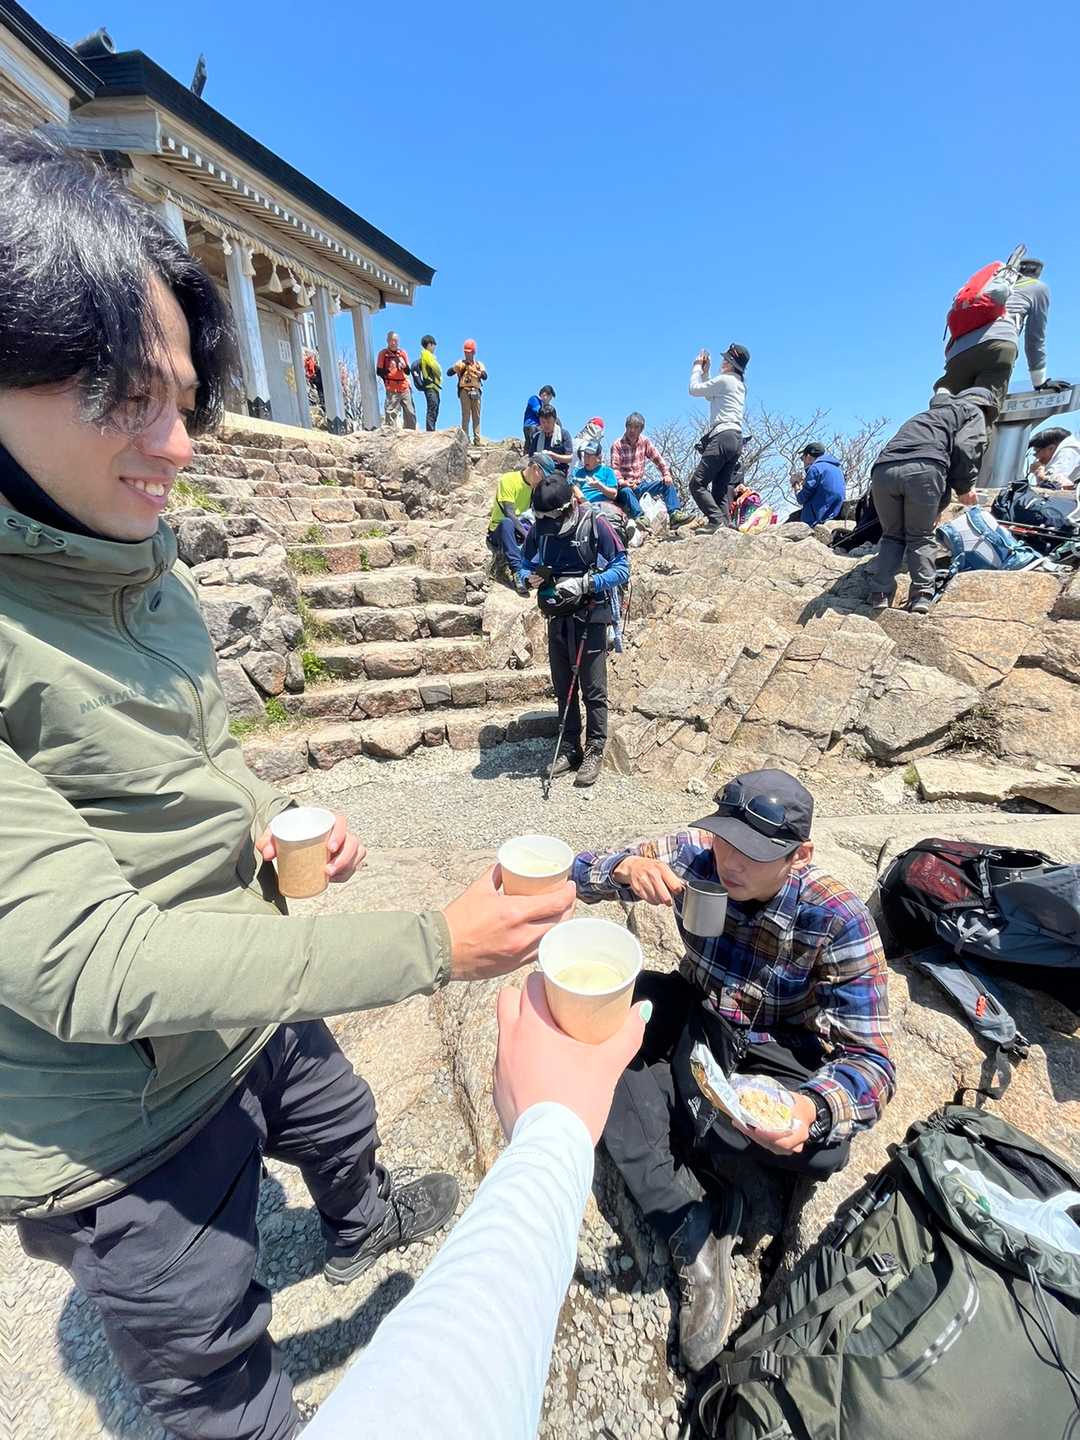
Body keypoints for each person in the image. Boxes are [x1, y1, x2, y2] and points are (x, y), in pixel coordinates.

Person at [0, 127, 576, 1440]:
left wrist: (268, 822)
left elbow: (196, 757)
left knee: (338, 1115)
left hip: (250, 996)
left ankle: (363, 1222)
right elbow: (90, 966)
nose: (175, 444)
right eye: (120, 396)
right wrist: (435, 944)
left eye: (183, 399)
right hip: (117, 1115)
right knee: (207, 1349)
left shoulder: (136, 568)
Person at [573, 770, 894, 1373]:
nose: (730, 861)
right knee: (601, 1027)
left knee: (823, 1151)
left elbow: (872, 1060)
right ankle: (691, 1225)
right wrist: (623, 868)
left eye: (755, 852)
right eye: (725, 839)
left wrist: (812, 1109)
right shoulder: (697, 853)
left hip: (778, 1045)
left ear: (800, 856)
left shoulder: (837, 916)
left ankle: (690, 1122)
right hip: (699, 1010)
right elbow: (577, 869)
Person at [304, 974, 648, 1440]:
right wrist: (554, 1133)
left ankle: (362, 1224)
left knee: (338, 1109)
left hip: (263, 1042)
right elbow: (450, 1380)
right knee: (214, 1337)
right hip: (200, 1097)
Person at [518, 475, 630, 788]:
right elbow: (524, 563)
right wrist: (526, 578)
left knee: (593, 688)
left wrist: (586, 583)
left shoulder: (595, 524)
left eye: (551, 520)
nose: (547, 527)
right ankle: (570, 746)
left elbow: (622, 568)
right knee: (563, 685)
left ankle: (595, 747)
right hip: (557, 615)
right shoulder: (540, 529)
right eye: (541, 520)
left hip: (591, 614)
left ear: (569, 508)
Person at [864, 386, 999, 614]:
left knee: (892, 535)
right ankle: (922, 595)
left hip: (883, 471)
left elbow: (939, 461)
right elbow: (964, 448)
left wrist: (939, 505)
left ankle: (879, 593)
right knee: (920, 536)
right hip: (924, 471)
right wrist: (965, 487)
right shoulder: (973, 411)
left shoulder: (928, 416)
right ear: (987, 408)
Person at [936, 257, 1051, 403]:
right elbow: (1035, 338)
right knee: (984, 404)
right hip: (998, 344)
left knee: (947, 400)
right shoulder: (1038, 287)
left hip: (957, 352)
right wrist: (1039, 381)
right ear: (1037, 272)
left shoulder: (990, 285)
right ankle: (981, 409)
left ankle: (941, 400)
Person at [683, 343, 750, 533]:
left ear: (730, 363)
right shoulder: (739, 384)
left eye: (725, 359)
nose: (722, 362)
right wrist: (707, 373)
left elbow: (694, 389)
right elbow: (710, 395)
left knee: (697, 483)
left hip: (722, 436)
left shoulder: (725, 380)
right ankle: (726, 526)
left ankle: (716, 520)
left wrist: (697, 367)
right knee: (720, 490)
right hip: (736, 438)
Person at [610, 411, 689, 525]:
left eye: (636, 427)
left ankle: (675, 513)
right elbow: (615, 469)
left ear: (641, 429)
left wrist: (666, 474)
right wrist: (623, 482)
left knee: (667, 484)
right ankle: (640, 518)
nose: (632, 430)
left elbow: (658, 459)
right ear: (626, 427)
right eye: (630, 426)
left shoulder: (644, 441)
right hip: (624, 487)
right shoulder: (617, 445)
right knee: (626, 491)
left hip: (640, 485)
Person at [487, 453, 549, 594]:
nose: (543, 481)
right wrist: (528, 536)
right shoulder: (508, 479)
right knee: (507, 522)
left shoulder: (534, 488)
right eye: (543, 476)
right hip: (500, 531)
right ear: (535, 468)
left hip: (520, 531)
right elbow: (509, 512)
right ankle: (517, 572)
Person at [792, 442, 846, 526]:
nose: (803, 462)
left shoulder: (815, 468)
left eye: (802, 458)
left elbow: (801, 499)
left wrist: (795, 484)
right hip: (834, 515)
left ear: (808, 456)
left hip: (816, 520)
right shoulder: (837, 469)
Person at [447, 338, 487, 443]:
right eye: (466, 352)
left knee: (476, 416)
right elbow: (449, 373)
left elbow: (485, 376)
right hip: (464, 390)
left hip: (476, 390)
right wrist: (455, 368)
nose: (467, 354)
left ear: (473, 352)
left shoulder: (479, 364)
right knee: (466, 415)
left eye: (469, 352)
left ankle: (477, 439)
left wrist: (478, 373)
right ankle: (465, 439)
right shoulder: (460, 363)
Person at [376, 330, 417, 430]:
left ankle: (410, 432)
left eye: (395, 340)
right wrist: (389, 371)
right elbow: (379, 371)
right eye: (391, 340)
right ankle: (390, 433)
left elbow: (408, 371)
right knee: (391, 413)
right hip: (392, 388)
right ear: (387, 341)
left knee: (410, 412)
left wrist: (404, 366)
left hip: (404, 386)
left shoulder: (402, 353)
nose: (393, 343)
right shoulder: (383, 354)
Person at [525, 403, 573, 473]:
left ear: (555, 420)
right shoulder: (537, 437)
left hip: (558, 470)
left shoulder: (564, 434)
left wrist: (554, 456)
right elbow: (530, 457)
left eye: (548, 422)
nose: (546, 425)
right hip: (540, 470)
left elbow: (570, 458)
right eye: (543, 422)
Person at [1029, 426, 1080, 491]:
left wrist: (1039, 473)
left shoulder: (1069, 450)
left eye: (1037, 451)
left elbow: (1053, 486)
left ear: (1051, 448)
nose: (1035, 456)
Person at [415, 333, 442, 431]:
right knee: (432, 408)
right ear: (430, 344)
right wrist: (439, 372)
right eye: (434, 345)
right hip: (430, 386)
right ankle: (430, 431)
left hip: (434, 386)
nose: (435, 347)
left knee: (435, 408)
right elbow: (435, 368)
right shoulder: (426, 354)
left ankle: (432, 429)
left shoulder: (428, 355)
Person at [523, 383, 555, 448]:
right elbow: (539, 412)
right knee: (534, 445)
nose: (549, 400)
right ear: (543, 394)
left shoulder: (544, 406)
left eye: (550, 398)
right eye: (549, 397)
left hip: (539, 427)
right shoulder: (534, 399)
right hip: (531, 426)